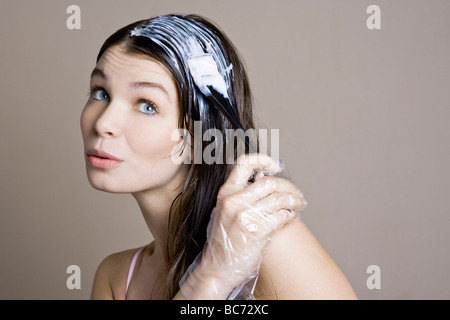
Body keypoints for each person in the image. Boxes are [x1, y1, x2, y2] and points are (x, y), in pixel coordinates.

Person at [80, 13, 357, 300]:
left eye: (147, 105)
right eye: (101, 93)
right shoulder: (116, 278)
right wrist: (211, 277)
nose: (103, 123)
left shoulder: (269, 241)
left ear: (200, 137)